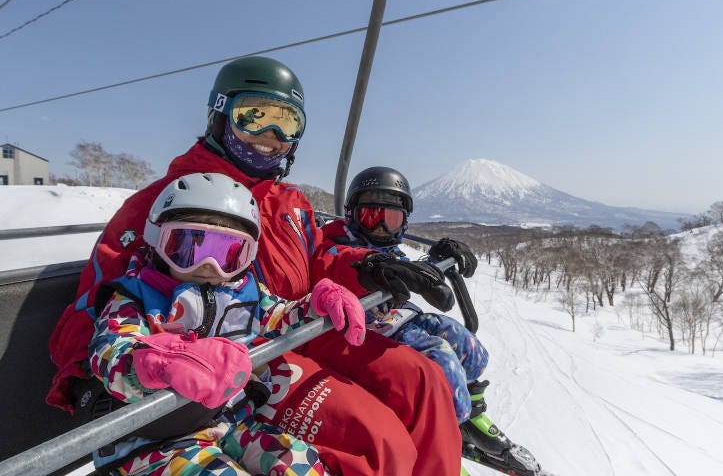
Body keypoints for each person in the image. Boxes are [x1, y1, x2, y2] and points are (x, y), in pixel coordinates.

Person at [48, 56, 462, 475]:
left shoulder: (290, 202)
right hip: (249, 352)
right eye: (254, 117)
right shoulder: (168, 204)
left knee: (423, 380)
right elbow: (100, 300)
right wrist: (88, 377)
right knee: (376, 441)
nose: (271, 135)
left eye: (287, 124)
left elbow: (319, 257)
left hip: (293, 325)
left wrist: (369, 266)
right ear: (220, 114)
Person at [89, 172, 368, 474]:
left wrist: (315, 304)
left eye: (229, 254)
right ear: (157, 241)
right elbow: (110, 354)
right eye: (188, 248)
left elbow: (278, 315)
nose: (208, 267)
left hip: (233, 423)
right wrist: (158, 363)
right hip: (154, 442)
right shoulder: (135, 297)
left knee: (301, 465)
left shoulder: (244, 291)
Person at [322, 166, 545, 476]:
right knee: (440, 360)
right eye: (373, 217)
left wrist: (437, 257)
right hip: (371, 330)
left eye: (393, 219)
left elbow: (407, 272)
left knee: (470, 348)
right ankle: (442, 437)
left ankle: (469, 419)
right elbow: (333, 265)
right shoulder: (335, 245)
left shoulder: (387, 247)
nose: (382, 229)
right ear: (352, 214)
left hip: (402, 317)